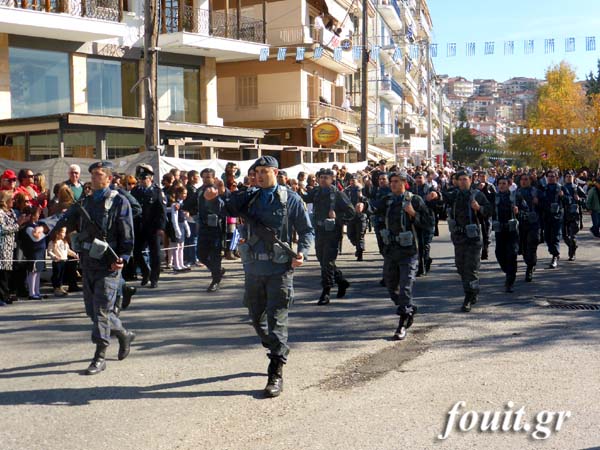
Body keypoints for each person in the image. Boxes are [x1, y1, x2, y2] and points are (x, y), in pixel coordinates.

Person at [204, 155, 314, 398]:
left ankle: (275, 371)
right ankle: (277, 346)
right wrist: (212, 200)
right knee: (256, 318)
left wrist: (302, 253)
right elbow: (225, 209)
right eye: (258, 171)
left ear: (276, 172)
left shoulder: (290, 199)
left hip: (280, 269)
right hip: (253, 269)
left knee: (277, 320)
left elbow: (306, 231)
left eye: (265, 171)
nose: (261, 175)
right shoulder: (249, 197)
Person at [56, 161, 136, 375]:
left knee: (101, 311)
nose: (94, 177)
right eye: (92, 174)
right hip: (88, 263)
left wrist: (124, 257)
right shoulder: (86, 201)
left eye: (99, 174)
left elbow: (127, 233)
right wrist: (47, 226)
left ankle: (100, 356)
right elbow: (66, 218)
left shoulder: (119, 202)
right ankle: (123, 334)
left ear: (109, 178)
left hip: (109, 265)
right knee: (94, 312)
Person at [369, 172, 432, 340]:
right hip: (391, 251)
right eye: (391, 182)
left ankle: (402, 323)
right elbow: (375, 212)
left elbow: (428, 222)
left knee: (405, 288)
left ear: (405, 183)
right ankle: (408, 308)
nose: (393, 184)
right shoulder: (387, 201)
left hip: (409, 251)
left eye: (396, 181)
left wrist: (413, 214)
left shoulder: (414, 200)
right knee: (391, 287)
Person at [302, 168, 355, 305]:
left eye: (326, 177)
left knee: (327, 262)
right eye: (321, 177)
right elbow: (305, 197)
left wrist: (338, 218)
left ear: (332, 179)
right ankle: (341, 281)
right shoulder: (317, 192)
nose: (323, 180)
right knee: (323, 260)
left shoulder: (338, 194)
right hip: (319, 231)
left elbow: (351, 212)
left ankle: (326, 292)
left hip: (332, 232)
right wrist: (296, 190)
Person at [445, 170, 493, 312]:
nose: (463, 182)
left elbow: (490, 210)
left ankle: (469, 296)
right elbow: (441, 198)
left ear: (470, 180)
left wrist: (479, 208)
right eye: (460, 179)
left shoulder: (478, 195)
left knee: (471, 268)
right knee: (460, 267)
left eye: (465, 179)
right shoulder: (453, 195)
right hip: (458, 237)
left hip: (473, 238)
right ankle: (472, 288)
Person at [131, 164, 167, 288]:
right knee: (136, 252)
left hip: (153, 228)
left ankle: (154, 278)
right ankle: (145, 272)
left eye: (144, 177)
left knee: (155, 254)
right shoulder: (135, 191)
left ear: (150, 178)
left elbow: (162, 211)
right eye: (140, 178)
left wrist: (161, 228)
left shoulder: (157, 192)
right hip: (139, 227)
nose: (142, 180)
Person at [196, 168, 227, 292]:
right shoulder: (199, 191)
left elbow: (223, 205)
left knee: (215, 255)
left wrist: (216, 196)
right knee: (201, 255)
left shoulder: (218, 190)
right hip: (203, 226)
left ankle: (215, 280)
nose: (205, 179)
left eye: (208, 177)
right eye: (203, 177)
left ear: (214, 178)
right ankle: (217, 271)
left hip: (215, 227)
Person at [492, 177, 519, 293]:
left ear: (509, 185)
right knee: (499, 253)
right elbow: (488, 210)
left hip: (512, 230)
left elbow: (525, 209)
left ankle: (510, 281)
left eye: (504, 183)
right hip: (500, 230)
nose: (502, 185)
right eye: (500, 183)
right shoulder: (494, 197)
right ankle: (508, 271)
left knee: (512, 254)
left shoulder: (514, 197)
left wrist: (518, 211)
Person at [410, 172, 438, 276]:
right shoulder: (412, 191)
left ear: (425, 179)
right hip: (416, 220)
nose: (418, 180)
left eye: (420, 178)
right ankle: (423, 264)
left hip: (427, 221)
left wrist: (435, 197)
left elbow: (437, 202)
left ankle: (424, 265)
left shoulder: (430, 189)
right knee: (418, 245)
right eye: (416, 178)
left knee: (425, 244)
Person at [0, 191, 25, 306]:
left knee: (9, 272)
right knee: (2, 273)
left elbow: (16, 226)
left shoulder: (11, 212)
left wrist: (23, 222)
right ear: (5, 201)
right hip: (3, 246)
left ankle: (7, 294)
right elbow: (3, 229)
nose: (13, 201)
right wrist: (18, 225)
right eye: (11, 199)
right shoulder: (0, 213)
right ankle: (2, 296)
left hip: (11, 246)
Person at [515, 173, 541, 282]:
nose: (524, 181)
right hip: (521, 224)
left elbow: (546, 205)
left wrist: (538, 202)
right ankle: (529, 262)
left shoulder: (536, 192)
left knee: (532, 244)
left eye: (526, 179)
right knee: (524, 248)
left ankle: (530, 267)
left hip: (534, 223)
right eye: (522, 180)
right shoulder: (516, 193)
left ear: (530, 181)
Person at [539, 170, 566, 269]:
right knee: (547, 237)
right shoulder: (543, 189)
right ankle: (554, 252)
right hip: (546, 216)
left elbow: (569, 200)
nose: (550, 178)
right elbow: (539, 202)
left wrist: (563, 196)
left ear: (556, 177)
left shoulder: (560, 188)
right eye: (549, 176)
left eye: (552, 176)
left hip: (557, 217)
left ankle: (555, 256)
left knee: (555, 237)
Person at [20, 207, 47, 300]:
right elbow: (36, 237)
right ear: (32, 215)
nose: (38, 215)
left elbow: (42, 232)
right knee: (32, 272)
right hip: (33, 252)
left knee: (38, 272)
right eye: (37, 214)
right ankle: (32, 293)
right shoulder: (28, 226)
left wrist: (41, 231)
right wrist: (42, 232)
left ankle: (37, 291)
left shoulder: (38, 225)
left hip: (40, 252)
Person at [47, 226, 78, 297]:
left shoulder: (64, 242)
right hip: (57, 261)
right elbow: (49, 251)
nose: (64, 234)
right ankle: (56, 288)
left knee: (61, 275)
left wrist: (74, 254)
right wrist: (54, 256)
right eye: (63, 232)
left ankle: (60, 287)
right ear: (57, 233)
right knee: (57, 275)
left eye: (65, 232)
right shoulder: (52, 242)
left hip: (64, 261)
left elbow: (67, 250)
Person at [562, 171, 586, 261]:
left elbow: (585, 200)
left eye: (570, 176)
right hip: (564, 214)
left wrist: (579, 199)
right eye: (567, 176)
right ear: (564, 178)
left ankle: (572, 254)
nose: (568, 178)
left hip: (574, 215)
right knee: (564, 236)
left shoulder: (577, 188)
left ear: (573, 177)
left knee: (572, 235)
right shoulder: (562, 188)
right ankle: (573, 246)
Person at [344, 175, 367, 261]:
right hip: (351, 216)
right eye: (351, 181)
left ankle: (360, 252)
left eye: (354, 180)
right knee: (350, 234)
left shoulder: (362, 189)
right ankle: (358, 246)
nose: (352, 182)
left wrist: (361, 197)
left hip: (361, 216)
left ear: (358, 181)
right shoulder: (347, 190)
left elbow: (367, 201)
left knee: (360, 235)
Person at [475, 170, 496, 260]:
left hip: (487, 213)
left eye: (484, 176)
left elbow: (494, 198)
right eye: (481, 176)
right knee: (477, 233)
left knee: (486, 232)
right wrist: (478, 189)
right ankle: (477, 250)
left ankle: (485, 249)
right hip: (477, 213)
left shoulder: (490, 186)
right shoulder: (475, 186)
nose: (482, 178)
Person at [170, 186, 191, 272]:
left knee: (182, 246)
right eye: (183, 193)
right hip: (177, 226)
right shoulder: (175, 204)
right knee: (176, 246)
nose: (185, 195)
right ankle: (176, 265)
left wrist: (187, 228)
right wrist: (176, 229)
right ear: (179, 194)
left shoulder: (183, 204)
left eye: (186, 193)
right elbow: (174, 218)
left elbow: (184, 218)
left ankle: (181, 263)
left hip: (182, 225)